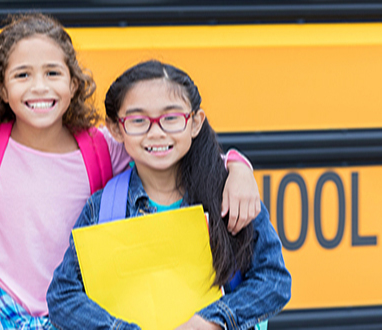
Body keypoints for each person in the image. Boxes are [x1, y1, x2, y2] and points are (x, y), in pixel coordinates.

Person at [0, 14, 261, 329]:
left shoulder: (100, 148)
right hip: (4, 312)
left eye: (53, 73)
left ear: (73, 84)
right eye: (22, 75)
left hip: (85, 309)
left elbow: (167, 149)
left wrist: (237, 168)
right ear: (2, 87)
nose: (39, 87)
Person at [47, 60, 291, 330]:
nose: (156, 132)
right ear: (116, 128)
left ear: (195, 122)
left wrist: (212, 321)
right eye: (138, 121)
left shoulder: (228, 195)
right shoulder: (102, 208)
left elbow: (274, 280)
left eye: (171, 118)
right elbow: (63, 296)